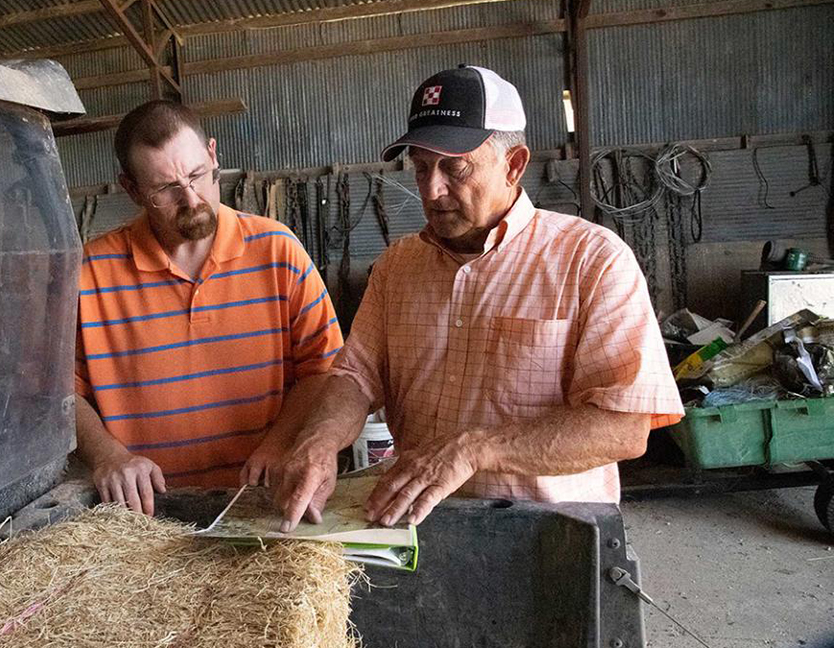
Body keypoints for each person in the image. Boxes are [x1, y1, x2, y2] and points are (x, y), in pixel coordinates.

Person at [273, 65, 683, 531]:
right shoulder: (397, 267)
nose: (431, 189)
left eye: (456, 166)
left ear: (514, 165)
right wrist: (319, 441)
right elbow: (355, 378)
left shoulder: (592, 261)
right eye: (421, 167)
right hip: (417, 528)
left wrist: (474, 449)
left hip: (549, 536)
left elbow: (624, 428)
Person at [74, 100, 343, 515]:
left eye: (198, 175)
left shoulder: (278, 251)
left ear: (214, 154)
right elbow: (59, 395)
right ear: (131, 189)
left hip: (259, 504)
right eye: (165, 188)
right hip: (146, 516)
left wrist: (279, 443)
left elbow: (323, 369)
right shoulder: (89, 273)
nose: (192, 198)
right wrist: (107, 456)